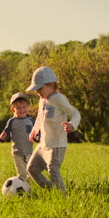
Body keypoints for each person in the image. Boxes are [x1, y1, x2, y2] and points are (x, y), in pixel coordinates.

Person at [25, 66, 80, 195]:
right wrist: (35, 130)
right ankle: (51, 189)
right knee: (31, 169)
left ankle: (62, 195)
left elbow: (75, 113)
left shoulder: (59, 99)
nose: (37, 92)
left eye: (40, 88)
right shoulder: (42, 100)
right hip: (43, 144)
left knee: (53, 170)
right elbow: (40, 116)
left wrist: (72, 124)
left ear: (50, 85)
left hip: (56, 145)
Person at [0, 93, 36, 180]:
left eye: (24, 107)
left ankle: (29, 186)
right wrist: (3, 136)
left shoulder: (30, 120)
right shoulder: (12, 121)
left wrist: (39, 137)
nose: (22, 110)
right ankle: (22, 188)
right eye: (18, 108)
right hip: (17, 152)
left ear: (28, 107)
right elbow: (6, 133)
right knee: (22, 173)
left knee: (31, 172)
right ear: (13, 109)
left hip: (29, 152)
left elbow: (36, 132)